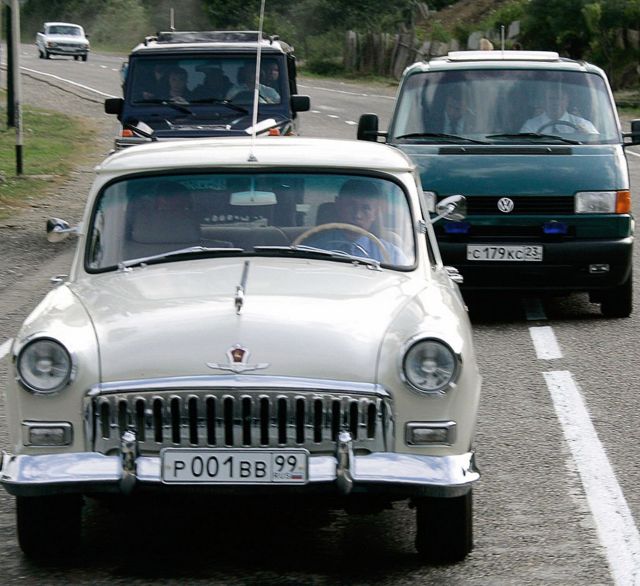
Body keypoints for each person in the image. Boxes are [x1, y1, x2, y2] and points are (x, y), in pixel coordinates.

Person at [303, 179, 408, 264]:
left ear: (376, 213)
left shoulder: (393, 255)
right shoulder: (312, 250)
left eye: (366, 208)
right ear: (338, 205)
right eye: (351, 206)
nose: (357, 215)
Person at [520, 86, 598, 134]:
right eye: (551, 99)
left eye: (561, 99)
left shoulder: (582, 124)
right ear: (544, 101)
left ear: (567, 101)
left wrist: (586, 137)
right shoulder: (531, 126)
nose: (556, 103)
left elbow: (598, 147)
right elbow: (523, 149)